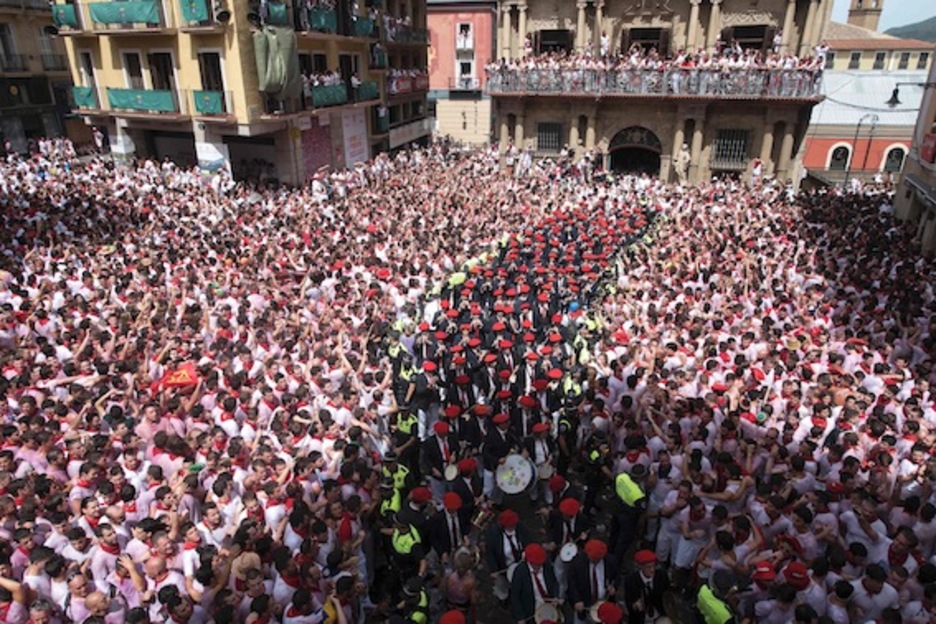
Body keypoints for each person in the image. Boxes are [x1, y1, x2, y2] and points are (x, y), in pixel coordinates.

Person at [509, 544, 560, 623]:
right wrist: (520, 617)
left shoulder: (547, 566)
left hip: (548, 607)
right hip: (531, 611)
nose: (539, 566)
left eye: (540, 563)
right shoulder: (520, 572)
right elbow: (515, 596)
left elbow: (554, 582)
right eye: (535, 564)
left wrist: (556, 596)